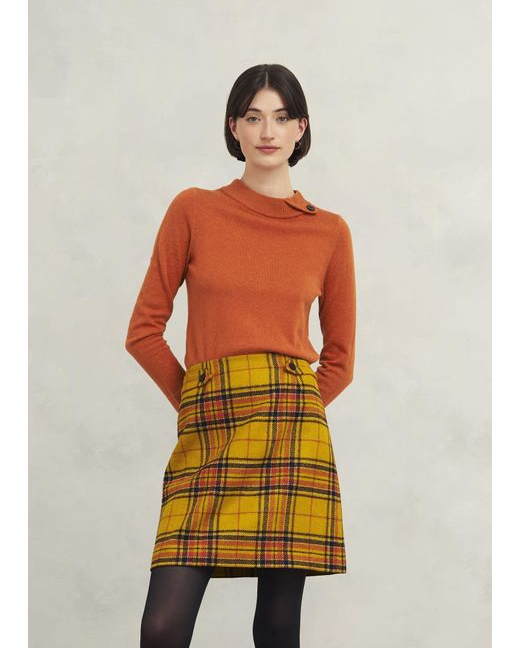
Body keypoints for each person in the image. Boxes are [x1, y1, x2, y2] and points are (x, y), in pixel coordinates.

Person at [125, 63, 357, 648]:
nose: (267, 132)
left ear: (302, 127)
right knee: (163, 626)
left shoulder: (329, 231)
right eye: (253, 117)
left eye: (281, 117)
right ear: (233, 127)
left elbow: (340, 358)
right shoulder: (193, 209)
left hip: (292, 432)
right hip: (210, 426)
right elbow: (143, 331)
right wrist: (196, 403)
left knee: (277, 626)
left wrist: (294, 404)